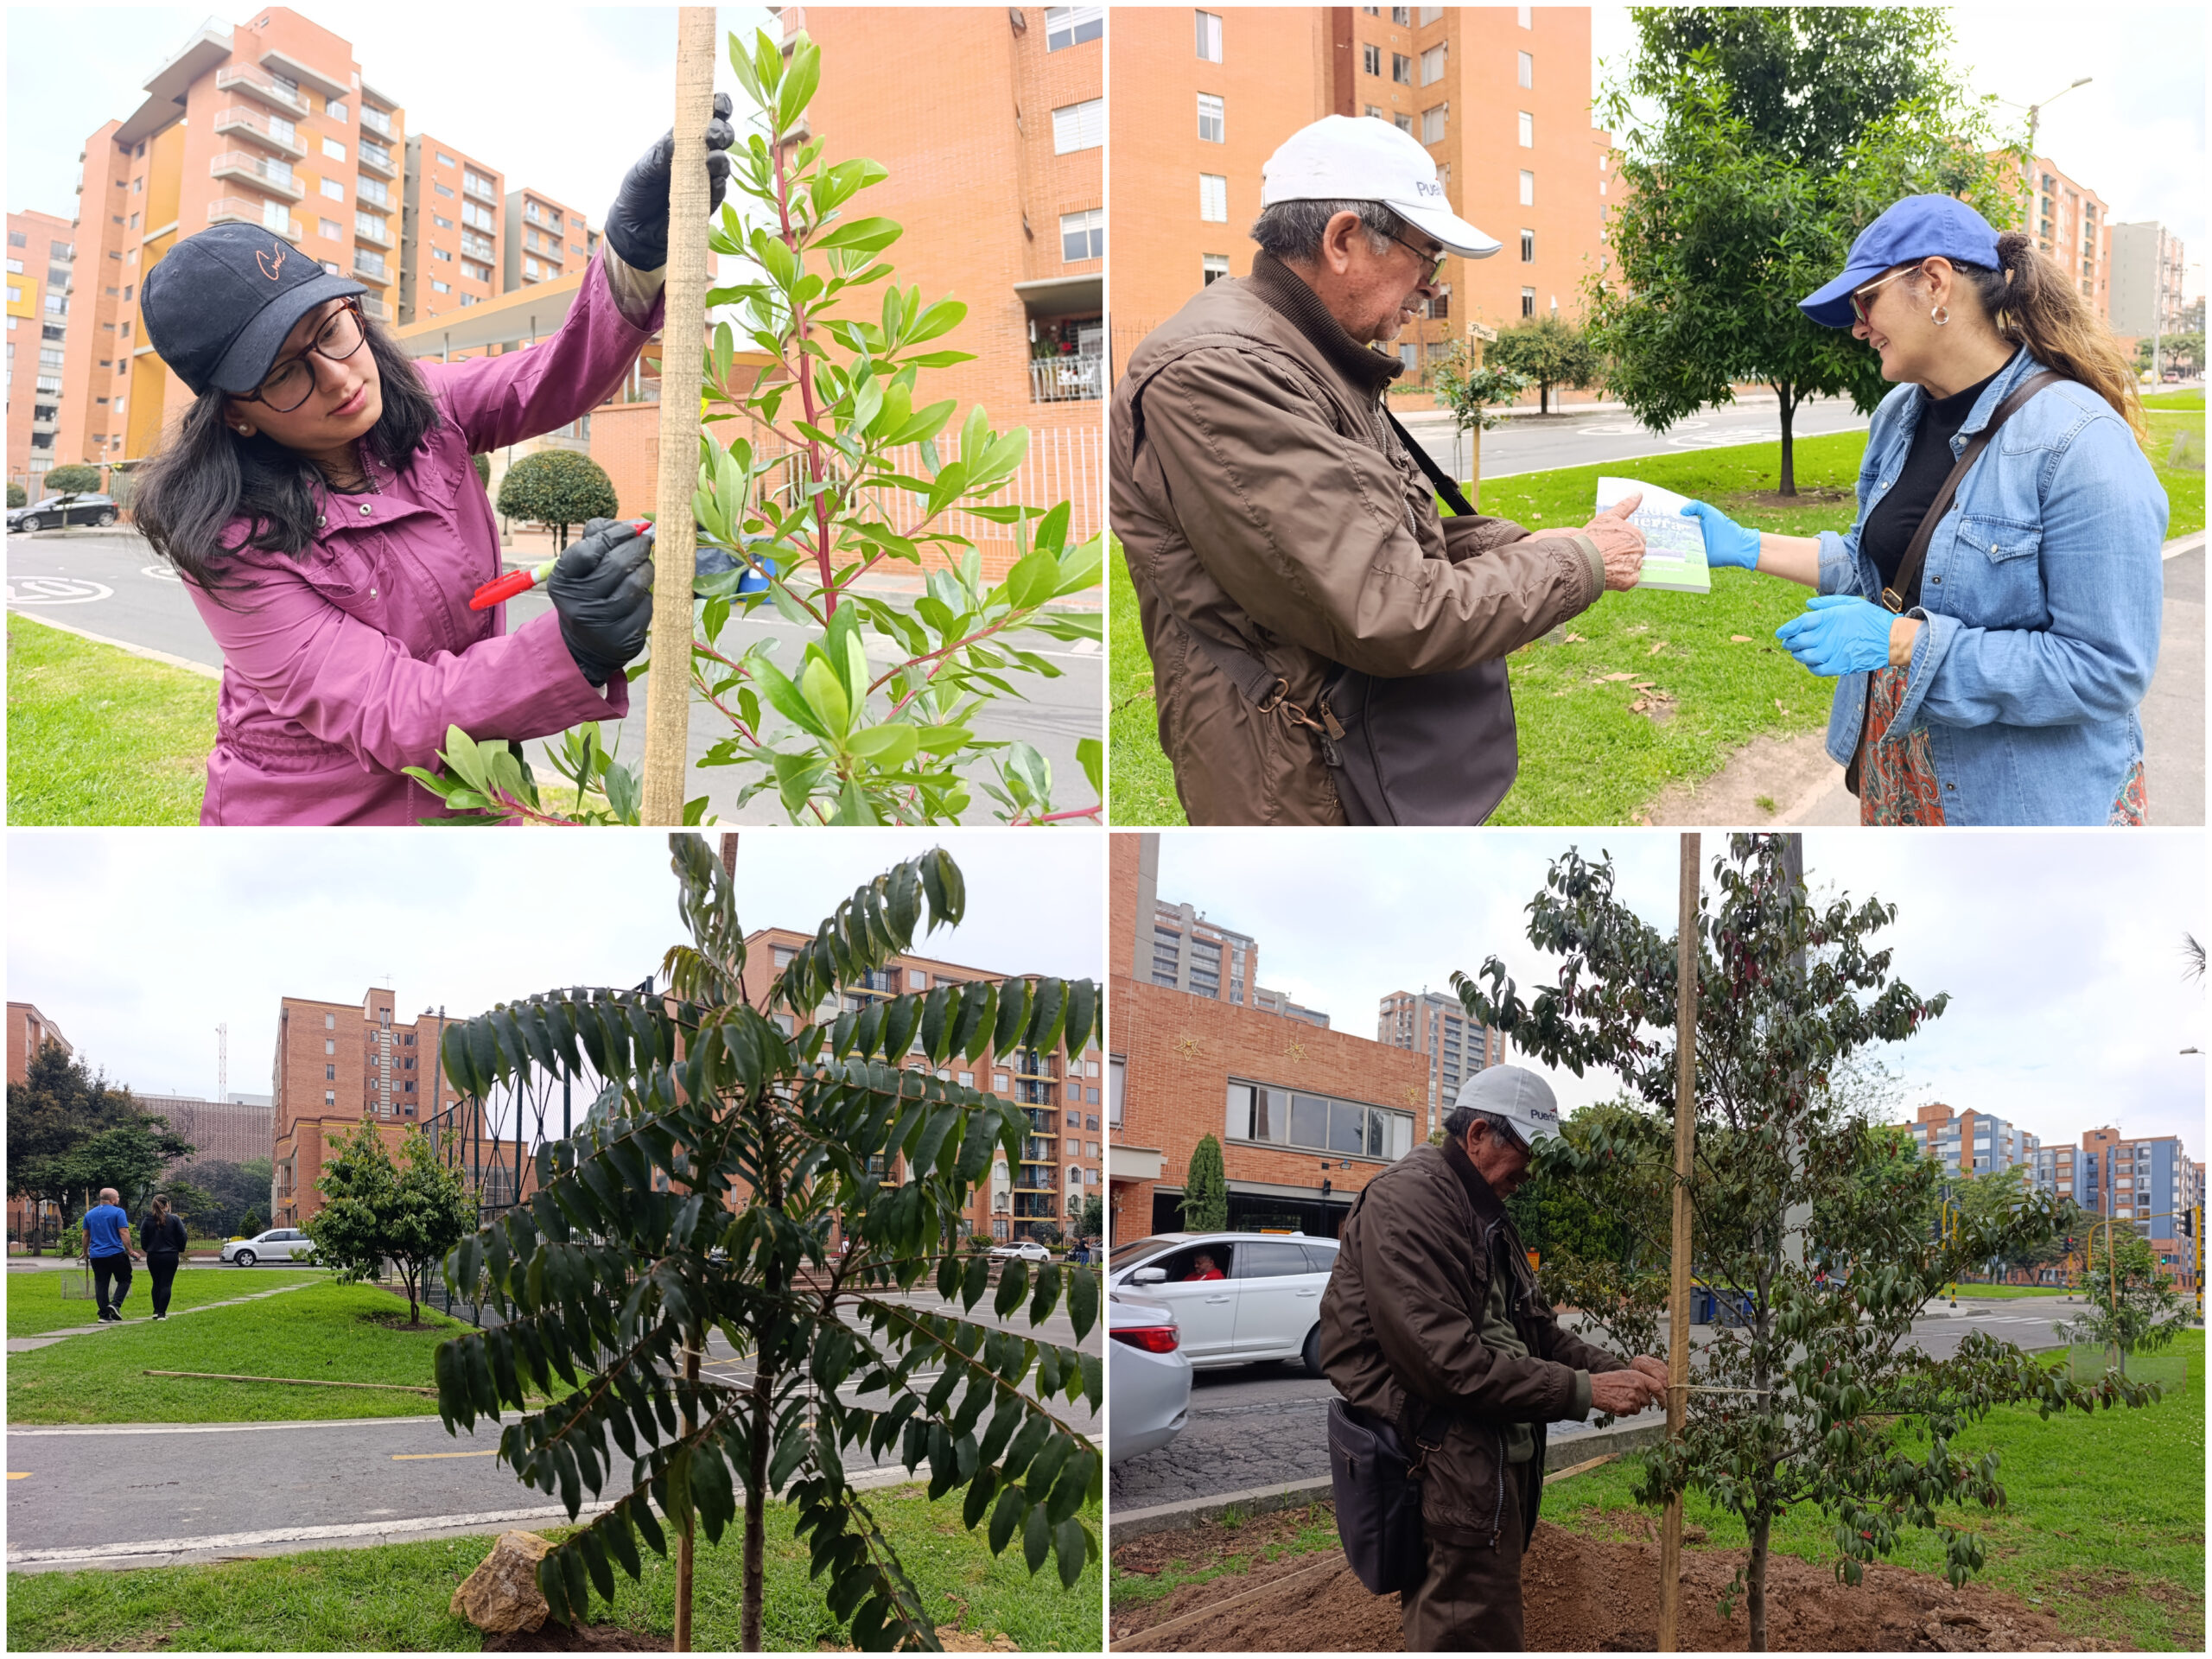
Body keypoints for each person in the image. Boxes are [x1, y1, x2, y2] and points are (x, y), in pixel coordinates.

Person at [131, 103, 741, 825]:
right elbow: (390, 706)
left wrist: (632, 256)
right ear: (235, 409)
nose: (338, 377)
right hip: (316, 823)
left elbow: (552, 375)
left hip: (475, 793)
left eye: (332, 328)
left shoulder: (416, 402)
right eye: (285, 371)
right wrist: (570, 644)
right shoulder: (229, 544)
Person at [1110, 115, 1646, 825]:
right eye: (1426, 255)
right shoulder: (1222, 373)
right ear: (1342, 241)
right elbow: (1392, 608)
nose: (1431, 284)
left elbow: (1378, 531)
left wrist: (1526, 547)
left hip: (1343, 754)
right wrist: (1577, 562)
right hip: (1296, 783)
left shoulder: (1308, 351)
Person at [1677, 194, 2166, 826]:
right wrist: (1744, 545)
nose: (1858, 326)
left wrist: (1903, 641)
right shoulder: (1897, 417)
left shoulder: (2080, 441)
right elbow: (1871, 562)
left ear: (1934, 283)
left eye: (1865, 301)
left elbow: (2106, 671)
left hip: (2013, 803)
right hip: (1896, 770)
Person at [1320, 1067, 1669, 1650]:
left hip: (1479, 1471)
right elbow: (1444, 1362)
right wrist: (1583, 1391)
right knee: (1465, 1633)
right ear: (1479, 1133)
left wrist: (1614, 1368)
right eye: (1525, 1155)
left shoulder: (1481, 1211)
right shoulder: (1410, 1203)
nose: (1528, 1175)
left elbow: (1535, 1333)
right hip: (1445, 1473)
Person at [83, 1188, 137, 1323]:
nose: (118, 1200)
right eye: (117, 1197)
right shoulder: (119, 1212)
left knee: (101, 1284)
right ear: (112, 1199)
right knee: (125, 1279)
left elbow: (85, 1235)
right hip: (115, 1253)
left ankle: (104, 1315)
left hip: (96, 1255)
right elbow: (123, 1232)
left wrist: (85, 1252)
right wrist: (130, 1250)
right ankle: (115, 1304)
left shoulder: (89, 1214)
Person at [140, 1194, 190, 1320]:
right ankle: (162, 1313)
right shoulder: (174, 1219)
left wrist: (148, 1249)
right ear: (167, 1205)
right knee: (166, 1284)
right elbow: (183, 1235)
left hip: (153, 1255)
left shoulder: (147, 1219)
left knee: (156, 1283)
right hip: (170, 1255)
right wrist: (180, 1249)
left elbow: (143, 1237)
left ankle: (156, 1310)